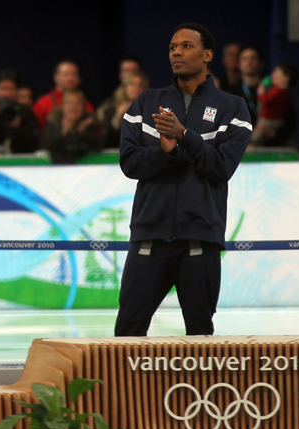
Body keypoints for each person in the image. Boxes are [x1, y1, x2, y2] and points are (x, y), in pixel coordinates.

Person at [115, 23, 252, 337]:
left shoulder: (233, 107)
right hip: (149, 237)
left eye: (186, 46)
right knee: (126, 333)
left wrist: (184, 137)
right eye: (172, 47)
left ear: (207, 55)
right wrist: (165, 154)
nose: (176, 51)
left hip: (199, 240)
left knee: (201, 335)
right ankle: (124, 389)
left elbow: (221, 167)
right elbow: (129, 162)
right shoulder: (145, 104)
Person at [32, 60, 94, 133]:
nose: (70, 78)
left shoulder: (85, 102)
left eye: (74, 74)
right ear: (55, 77)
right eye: (66, 74)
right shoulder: (43, 103)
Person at [40, 89, 101, 164]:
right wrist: (63, 132)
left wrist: (81, 133)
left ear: (83, 107)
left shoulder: (88, 123)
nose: (73, 107)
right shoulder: (53, 122)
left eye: (78, 103)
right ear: (62, 106)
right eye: (69, 103)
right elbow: (46, 147)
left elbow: (96, 148)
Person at [0, 75, 39, 154]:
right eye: (3, 89)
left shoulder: (26, 112)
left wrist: (17, 128)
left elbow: (34, 144)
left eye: (11, 89)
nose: (7, 94)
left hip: (17, 158)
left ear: (17, 91)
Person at [251, 63, 299, 147]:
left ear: (286, 78)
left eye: (276, 73)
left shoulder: (277, 91)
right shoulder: (285, 93)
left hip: (267, 121)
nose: (273, 75)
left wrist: (261, 93)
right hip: (277, 122)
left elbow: (265, 100)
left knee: (256, 136)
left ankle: (252, 145)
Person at [97, 73, 148, 148]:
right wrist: (117, 118)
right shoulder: (110, 110)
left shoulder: (150, 109)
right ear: (124, 87)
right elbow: (106, 140)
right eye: (132, 84)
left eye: (140, 85)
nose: (136, 88)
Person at [228, 46, 264, 127]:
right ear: (239, 64)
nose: (249, 62)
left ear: (261, 64)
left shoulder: (272, 88)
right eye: (245, 59)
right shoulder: (231, 92)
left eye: (253, 58)